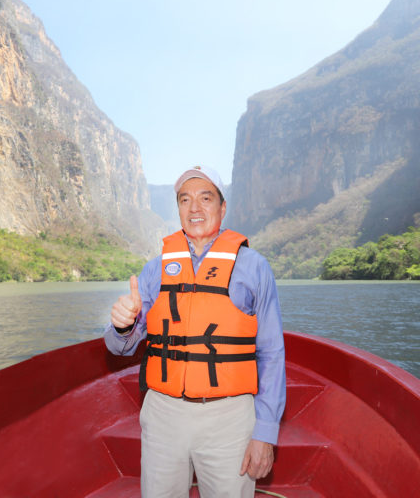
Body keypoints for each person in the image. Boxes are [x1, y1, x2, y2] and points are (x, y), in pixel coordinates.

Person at [104, 165, 286, 497]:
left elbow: (272, 354)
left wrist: (265, 432)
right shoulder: (154, 270)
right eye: (185, 200)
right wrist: (123, 325)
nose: (195, 208)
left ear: (222, 207)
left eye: (205, 198)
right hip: (163, 413)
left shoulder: (254, 267)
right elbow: (120, 347)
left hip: (229, 416)